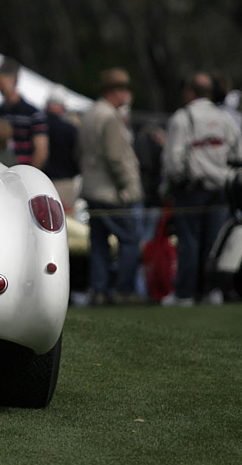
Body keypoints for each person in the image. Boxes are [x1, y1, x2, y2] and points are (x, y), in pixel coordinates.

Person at [160, 72, 242, 306]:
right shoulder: (226, 119)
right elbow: (238, 154)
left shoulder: (183, 117)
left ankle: (185, 293)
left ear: (190, 92)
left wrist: (172, 184)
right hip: (221, 189)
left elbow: (173, 159)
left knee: (189, 243)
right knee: (215, 243)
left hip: (191, 189)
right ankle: (212, 290)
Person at [76, 68, 143, 305]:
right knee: (130, 241)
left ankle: (99, 290)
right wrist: (128, 187)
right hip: (111, 192)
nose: (127, 94)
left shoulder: (90, 114)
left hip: (92, 188)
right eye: (124, 89)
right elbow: (115, 157)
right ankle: (124, 290)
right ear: (115, 91)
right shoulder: (111, 117)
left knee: (99, 244)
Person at [0, 57, 48, 169]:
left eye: (1, 83)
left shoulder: (33, 114)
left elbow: (41, 150)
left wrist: (29, 175)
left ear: (14, 80)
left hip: (22, 173)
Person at [42, 85, 80, 211]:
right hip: (64, 183)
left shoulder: (38, 125)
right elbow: (78, 156)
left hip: (40, 181)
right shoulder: (70, 129)